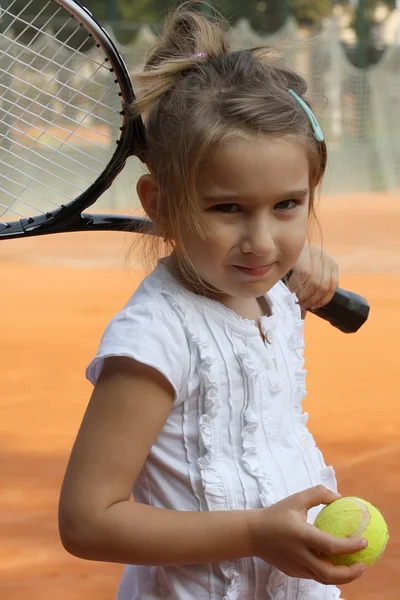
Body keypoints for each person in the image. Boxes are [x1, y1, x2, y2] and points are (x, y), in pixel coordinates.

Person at [58, 5, 367, 599]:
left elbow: (269, 257)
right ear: (159, 202)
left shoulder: (272, 287)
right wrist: (254, 532)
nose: (260, 241)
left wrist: (298, 264)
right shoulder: (155, 340)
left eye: (286, 205)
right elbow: (87, 520)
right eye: (227, 208)